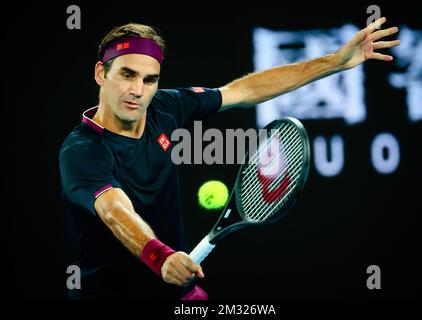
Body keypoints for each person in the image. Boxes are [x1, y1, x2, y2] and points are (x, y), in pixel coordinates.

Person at [59, 17, 399, 300]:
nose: (138, 90)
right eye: (127, 75)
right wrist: (159, 256)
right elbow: (115, 211)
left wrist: (335, 62)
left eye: (150, 80)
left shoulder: (165, 107)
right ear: (102, 74)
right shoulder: (83, 151)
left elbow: (244, 91)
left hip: (174, 288)